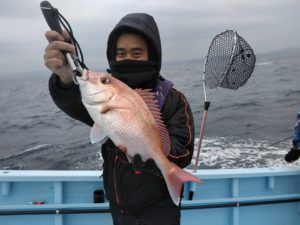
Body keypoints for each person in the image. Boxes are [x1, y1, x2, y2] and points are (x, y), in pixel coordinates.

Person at [44, 13, 195, 225]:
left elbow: (183, 150)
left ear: (152, 55)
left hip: (159, 210)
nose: (128, 58)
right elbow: (73, 103)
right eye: (121, 53)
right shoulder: (102, 101)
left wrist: (156, 161)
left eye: (137, 52)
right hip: (118, 207)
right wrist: (65, 77)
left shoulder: (173, 99)